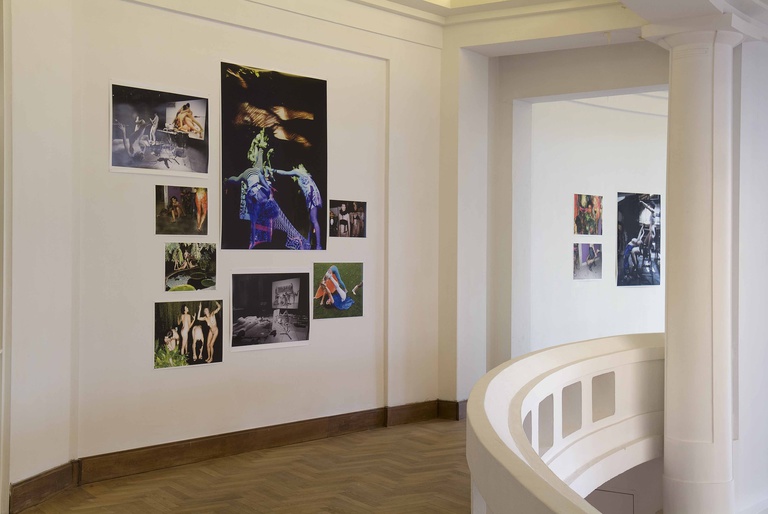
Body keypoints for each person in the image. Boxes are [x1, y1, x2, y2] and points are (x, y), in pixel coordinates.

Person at [224, 129, 309, 250]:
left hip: (253, 189)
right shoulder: (257, 176)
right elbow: (261, 184)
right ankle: (255, 239)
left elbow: (237, 180)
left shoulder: (251, 174)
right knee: (259, 208)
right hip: (255, 191)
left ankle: (255, 239)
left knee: (241, 183)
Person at [272, 164, 323, 249]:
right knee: (311, 221)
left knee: (314, 220)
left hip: (312, 197)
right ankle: (308, 242)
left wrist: (273, 170)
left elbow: (285, 173)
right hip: (312, 197)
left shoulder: (298, 172)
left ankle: (318, 245)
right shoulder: (304, 177)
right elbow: (303, 190)